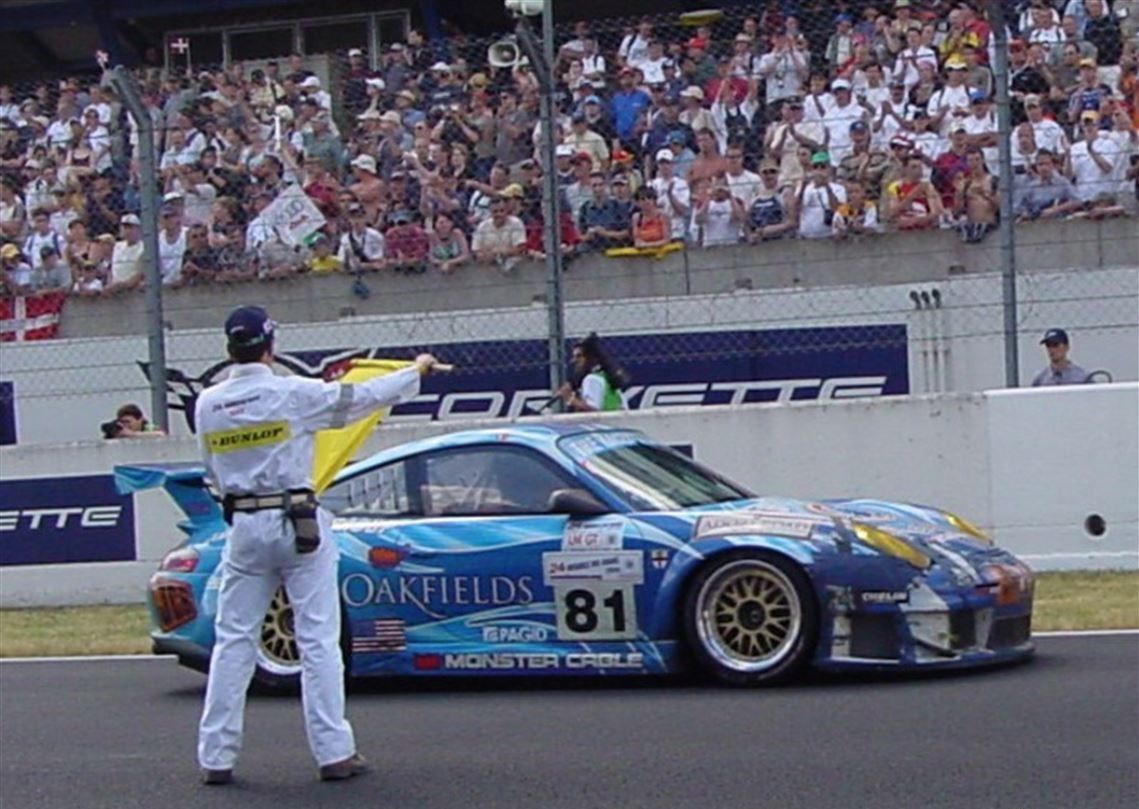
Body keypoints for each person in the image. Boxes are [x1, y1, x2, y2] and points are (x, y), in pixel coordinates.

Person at [195, 305, 443, 785]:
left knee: (233, 641)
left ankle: (215, 757)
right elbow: (362, 397)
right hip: (298, 522)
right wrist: (414, 371)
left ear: (229, 348)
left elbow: (211, 470)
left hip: (243, 525)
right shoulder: (292, 392)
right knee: (317, 640)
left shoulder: (207, 404)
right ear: (271, 346)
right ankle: (333, 752)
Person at [556, 332, 629, 412]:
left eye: (579, 356)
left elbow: (593, 412)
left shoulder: (591, 379)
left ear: (590, 358)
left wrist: (570, 398)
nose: (574, 361)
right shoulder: (607, 377)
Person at [101, 403, 166, 439]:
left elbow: (161, 434)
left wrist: (132, 434)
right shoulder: (119, 428)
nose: (125, 425)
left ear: (139, 420)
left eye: (127, 422)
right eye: (122, 422)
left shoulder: (148, 427)